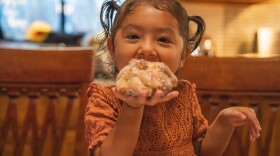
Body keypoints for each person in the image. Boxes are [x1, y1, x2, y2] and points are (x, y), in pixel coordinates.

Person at [84, 0, 261, 156]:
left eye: (162, 39)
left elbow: (203, 151)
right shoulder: (103, 99)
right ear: (112, 48)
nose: (146, 48)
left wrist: (224, 122)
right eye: (133, 36)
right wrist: (132, 105)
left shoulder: (184, 94)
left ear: (183, 55)